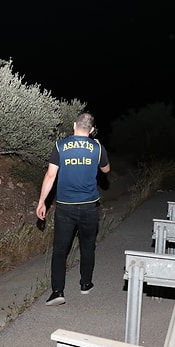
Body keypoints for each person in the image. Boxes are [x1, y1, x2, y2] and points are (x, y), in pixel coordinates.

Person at [36, 112, 110, 306]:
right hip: (89, 207)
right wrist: (98, 147)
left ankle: (57, 291)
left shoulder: (60, 146)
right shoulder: (97, 147)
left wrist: (42, 201)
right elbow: (106, 170)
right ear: (92, 130)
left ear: (74, 125)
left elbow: (50, 176)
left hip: (65, 207)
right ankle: (85, 284)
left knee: (60, 249)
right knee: (87, 246)